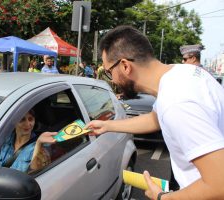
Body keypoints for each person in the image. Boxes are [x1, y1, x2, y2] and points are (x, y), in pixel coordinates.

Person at [85, 25, 224, 200]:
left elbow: (219, 185)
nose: (111, 79)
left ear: (125, 66)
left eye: (109, 71)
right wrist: (107, 125)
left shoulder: (177, 102)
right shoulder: (181, 73)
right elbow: (154, 119)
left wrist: (162, 197)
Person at [0, 109, 57, 173]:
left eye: (31, 119)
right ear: (14, 122)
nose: (27, 124)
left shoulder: (41, 144)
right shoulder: (3, 140)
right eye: (22, 119)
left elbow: (36, 172)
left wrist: (38, 143)